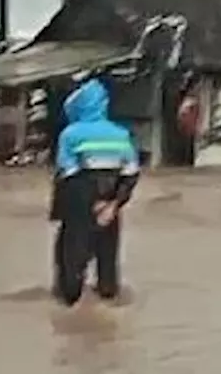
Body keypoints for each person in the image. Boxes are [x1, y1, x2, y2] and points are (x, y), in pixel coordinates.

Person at [49, 73, 140, 306]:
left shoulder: (70, 135)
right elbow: (130, 174)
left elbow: (69, 175)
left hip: (80, 207)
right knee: (107, 266)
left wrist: (90, 204)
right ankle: (108, 311)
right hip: (111, 206)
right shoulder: (121, 135)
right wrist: (112, 205)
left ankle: (69, 317)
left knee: (70, 265)